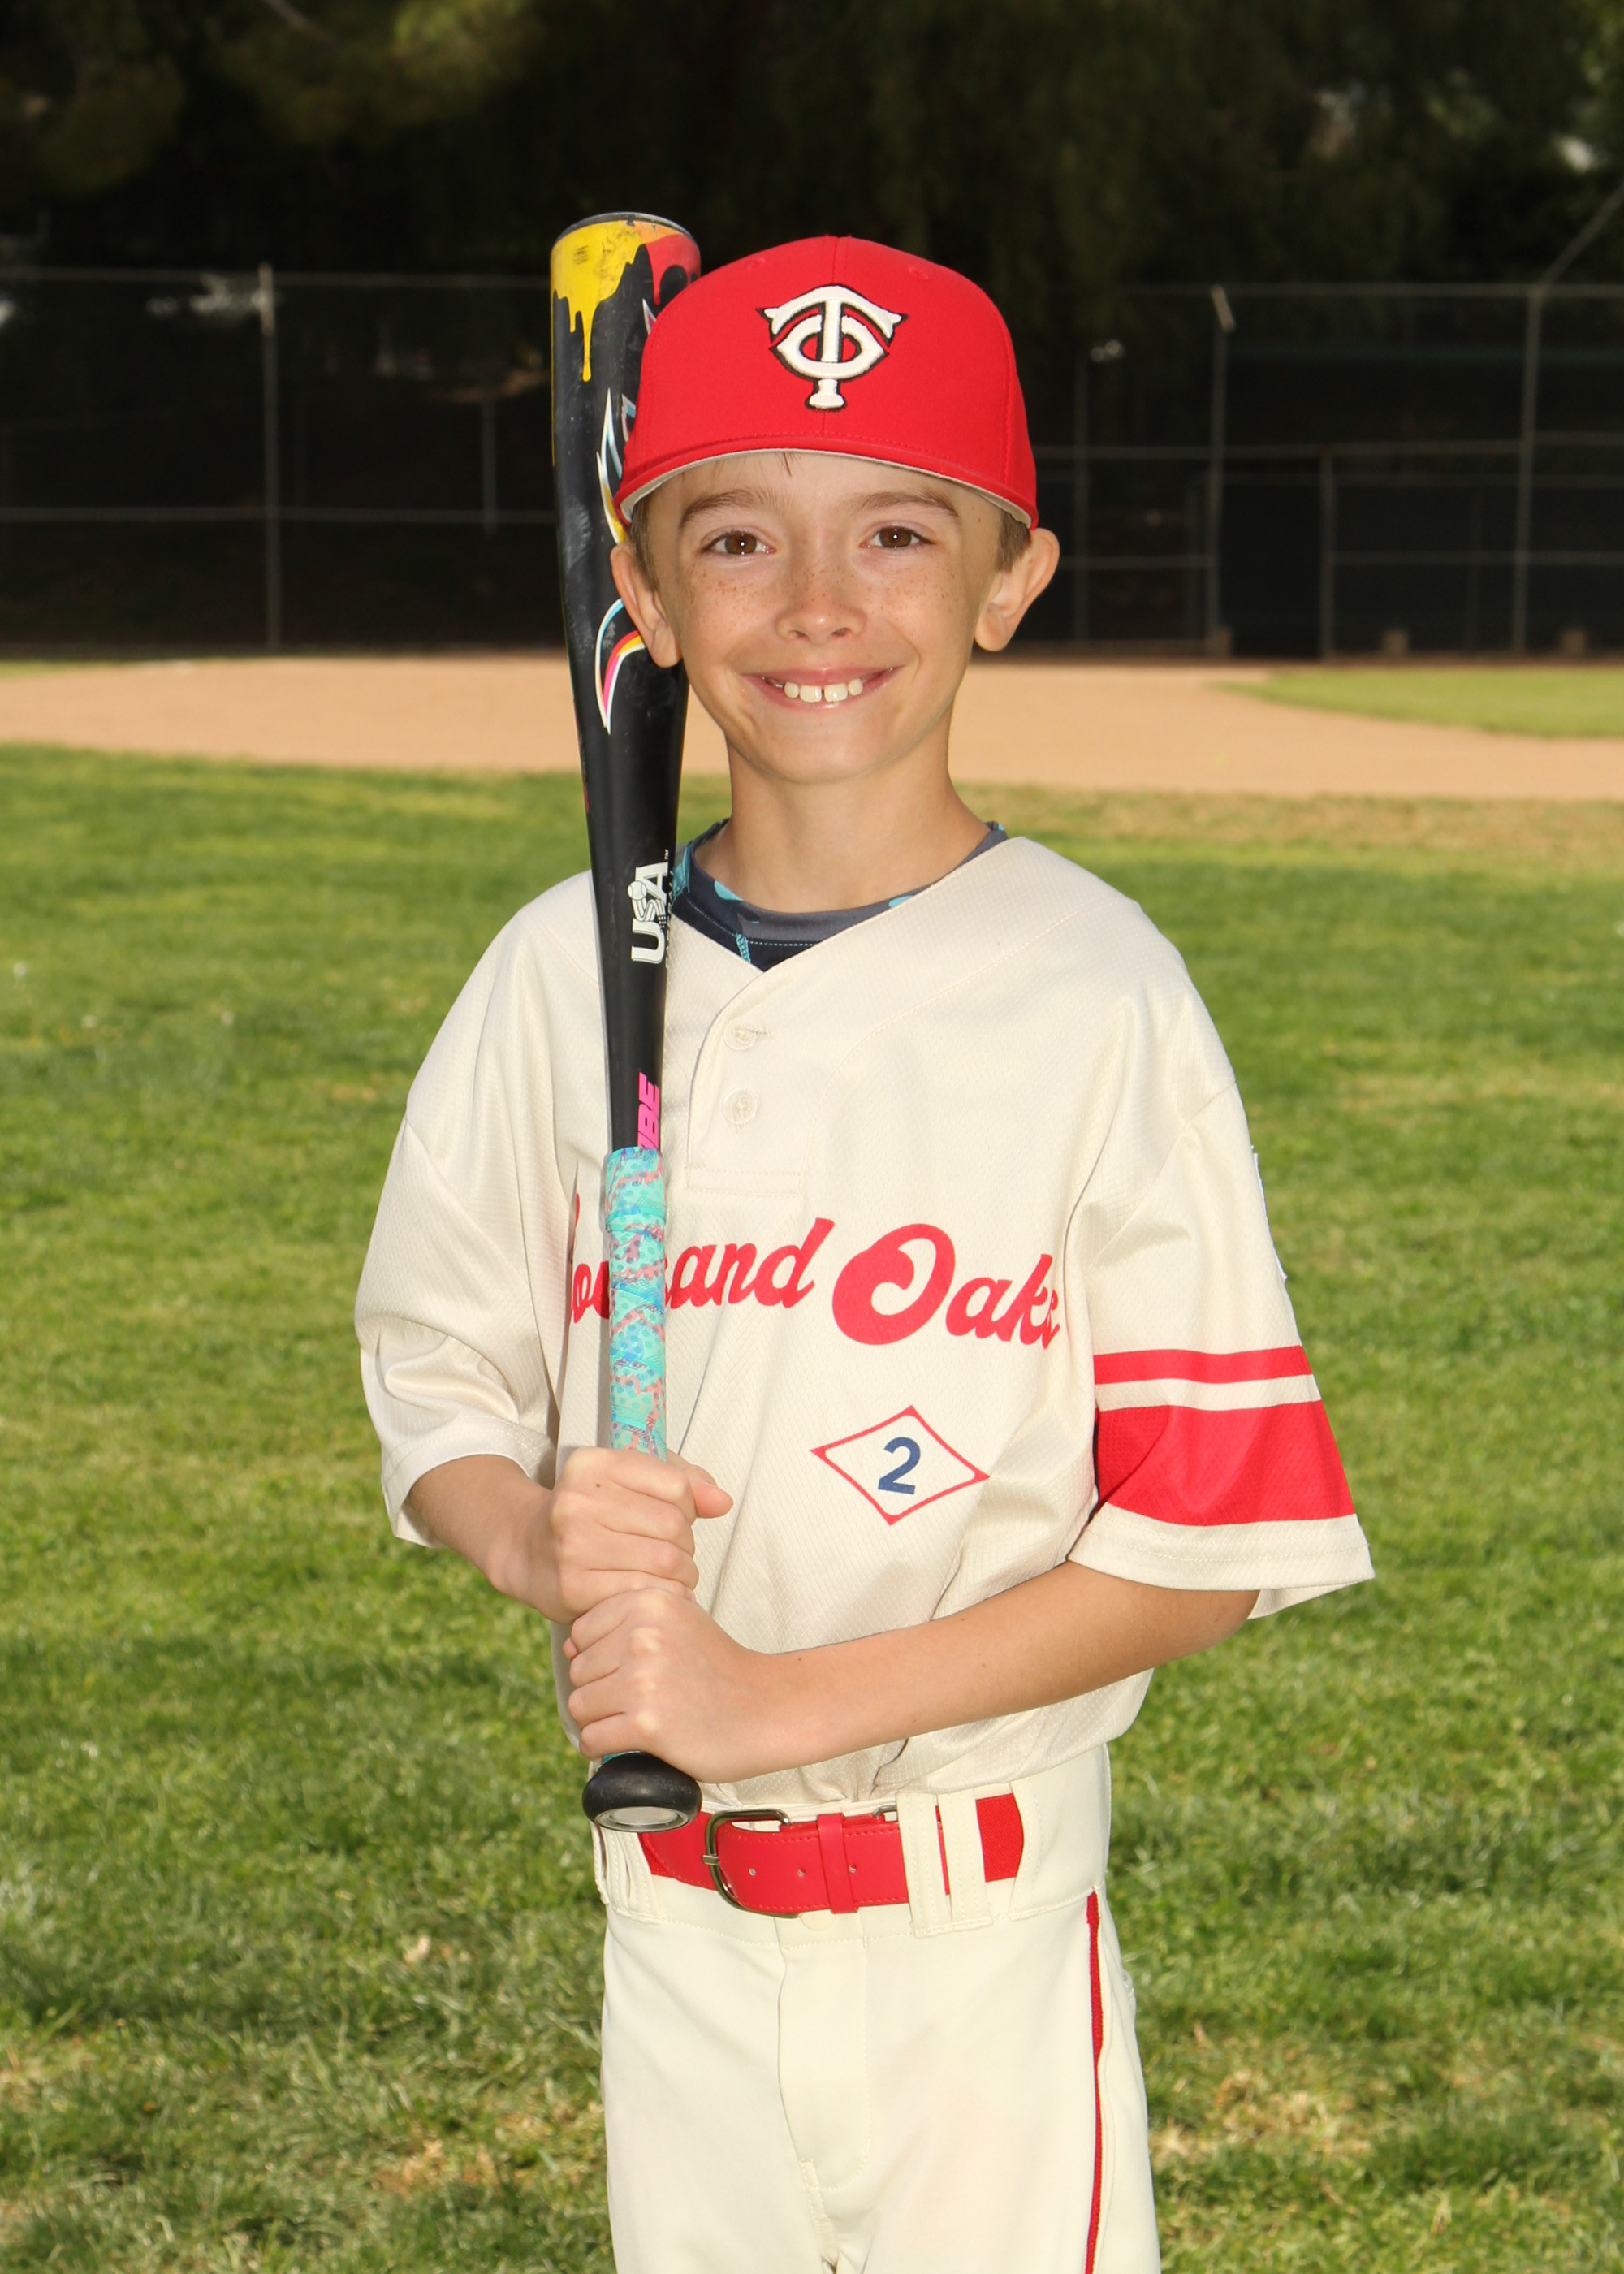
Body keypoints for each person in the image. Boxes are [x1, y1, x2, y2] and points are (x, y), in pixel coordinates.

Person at [355, 236, 1373, 2274]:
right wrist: (531, 1533)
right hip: (669, 1935)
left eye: (897, 532)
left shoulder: (1095, 990)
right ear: (639, 594)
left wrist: (772, 1700)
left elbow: (1205, 1540)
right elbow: (440, 1373)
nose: (816, 603)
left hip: (976, 1948)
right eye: (736, 537)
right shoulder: (557, 974)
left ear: (1009, 577)